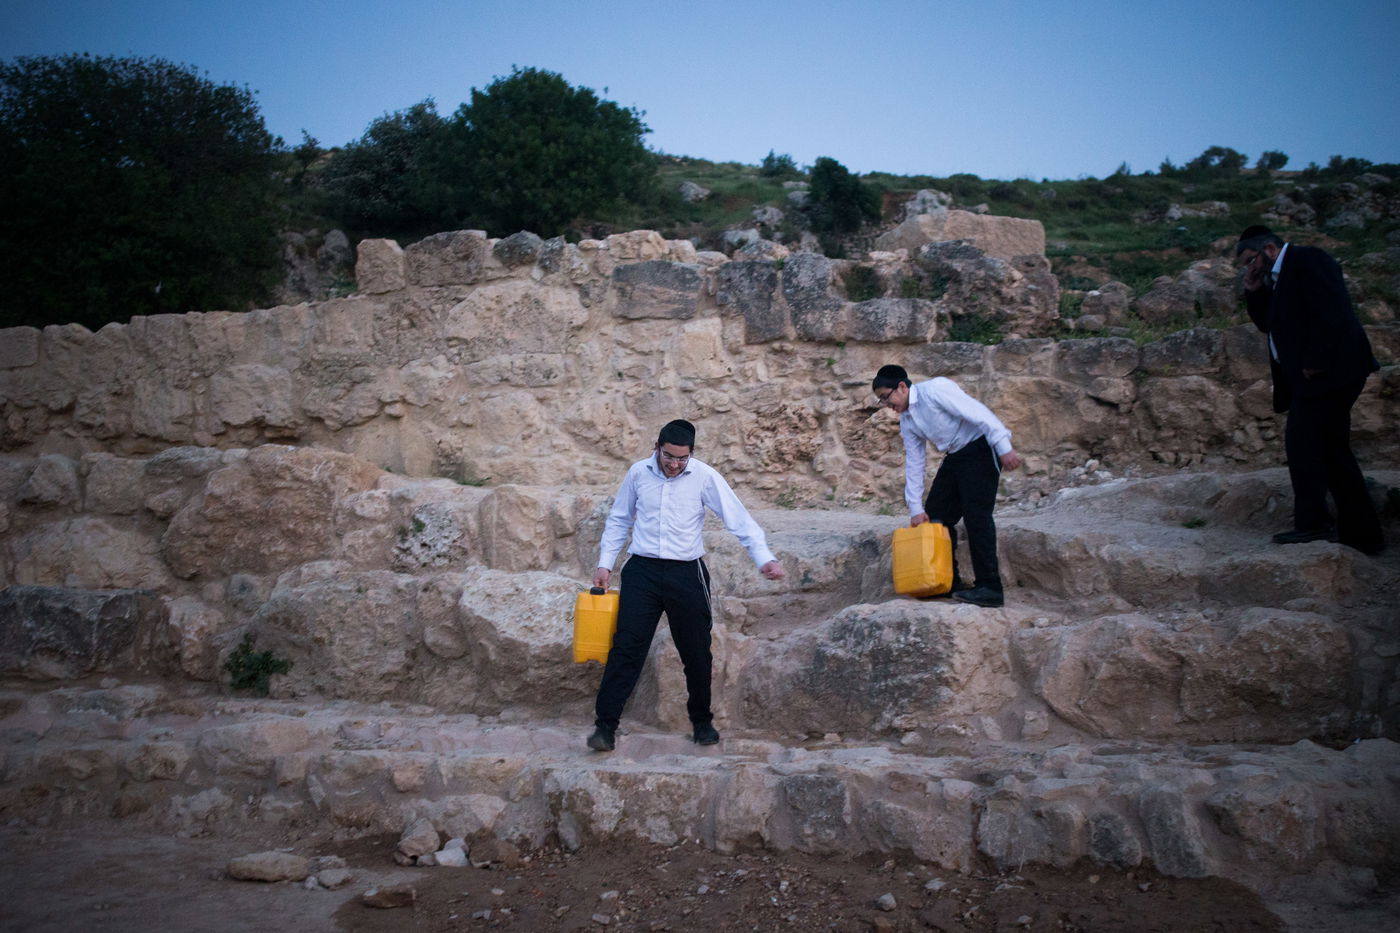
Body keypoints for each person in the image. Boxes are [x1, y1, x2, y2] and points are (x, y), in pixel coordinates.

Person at [587, 419, 785, 752]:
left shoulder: (705, 477)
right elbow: (620, 518)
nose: (675, 464)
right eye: (669, 457)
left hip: (686, 574)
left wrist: (763, 557)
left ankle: (702, 722)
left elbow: (738, 518)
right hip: (642, 572)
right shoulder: (637, 473)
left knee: (696, 653)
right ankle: (605, 727)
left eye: (682, 458)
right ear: (657, 448)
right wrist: (605, 563)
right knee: (626, 650)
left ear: (691, 453)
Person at [1236, 225, 1384, 555]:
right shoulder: (1277, 276)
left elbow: (1333, 311)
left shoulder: (1309, 260)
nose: (1249, 267)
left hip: (1330, 374)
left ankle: (1319, 524)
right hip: (1316, 378)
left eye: (1250, 261)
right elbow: (1267, 324)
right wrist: (1253, 289)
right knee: (1327, 449)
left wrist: (1314, 361)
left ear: (1269, 249)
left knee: (1309, 445)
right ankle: (1359, 533)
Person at [871, 365, 1022, 608]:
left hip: (981, 447)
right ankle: (949, 581)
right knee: (937, 515)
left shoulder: (935, 390)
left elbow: (979, 413)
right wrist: (915, 508)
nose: (886, 405)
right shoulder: (908, 420)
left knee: (977, 516)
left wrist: (1003, 447)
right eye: (881, 401)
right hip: (956, 455)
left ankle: (990, 587)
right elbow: (915, 462)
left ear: (901, 386)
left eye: (886, 397)